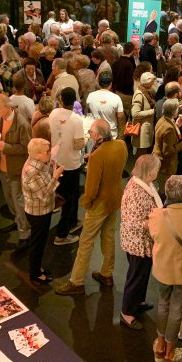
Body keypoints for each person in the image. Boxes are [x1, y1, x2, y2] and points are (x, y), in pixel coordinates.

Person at [56, 119, 128, 295]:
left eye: (91, 133)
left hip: (99, 204)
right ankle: (107, 273)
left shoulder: (97, 156)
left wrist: (86, 203)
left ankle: (76, 281)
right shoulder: (121, 145)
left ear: (98, 135)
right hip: (115, 198)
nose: (90, 135)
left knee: (85, 242)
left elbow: (91, 188)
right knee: (109, 237)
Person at [149, 176, 182, 362]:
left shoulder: (156, 214)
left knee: (163, 305)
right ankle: (170, 351)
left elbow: (153, 234)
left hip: (162, 270)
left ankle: (160, 343)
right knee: (177, 310)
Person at [119, 155, 163, 330]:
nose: (158, 172)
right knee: (136, 277)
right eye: (156, 170)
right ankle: (127, 312)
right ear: (149, 173)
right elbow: (133, 222)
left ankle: (138, 302)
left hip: (144, 241)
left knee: (143, 274)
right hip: (137, 242)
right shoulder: (136, 191)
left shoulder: (143, 183)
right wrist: (157, 222)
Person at [0, 94, 31, 251]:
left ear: (8, 107)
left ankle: (25, 234)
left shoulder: (22, 124)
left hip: (16, 169)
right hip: (3, 167)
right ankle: (18, 222)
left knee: (19, 201)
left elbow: (26, 148)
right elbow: (0, 137)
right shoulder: (0, 120)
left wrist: (4, 147)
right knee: (10, 199)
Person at [21, 138, 63, 285]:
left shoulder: (38, 161)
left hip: (42, 210)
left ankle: (37, 267)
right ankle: (35, 273)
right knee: (37, 244)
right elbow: (44, 194)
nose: (49, 153)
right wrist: (56, 177)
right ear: (37, 154)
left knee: (40, 242)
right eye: (47, 151)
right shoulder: (31, 171)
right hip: (38, 213)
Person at [49, 88, 85, 245]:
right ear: (74, 101)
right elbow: (78, 145)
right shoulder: (76, 119)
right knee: (70, 199)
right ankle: (62, 234)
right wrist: (85, 140)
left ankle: (70, 223)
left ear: (61, 99)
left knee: (60, 195)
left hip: (55, 161)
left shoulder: (53, 114)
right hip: (71, 164)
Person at [153, 98, 182, 188]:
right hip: (166, 165)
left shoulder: (162, 120)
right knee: (165, 189)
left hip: (158, 160)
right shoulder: (169, 128)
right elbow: (168, 152)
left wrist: (177, 125)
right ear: (174, 111)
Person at [86, 70, 124, 138]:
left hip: (95, 133)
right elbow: (120, 118)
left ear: (98, 82)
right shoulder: (116, 98)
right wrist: (121, 136)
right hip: (112, 134)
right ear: (111, 83)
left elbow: (89, 114)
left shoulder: (90, 96)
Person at [131, 71, 157, 157]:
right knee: (141, 153)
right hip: (141, 130)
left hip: (146, 128)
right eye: (152, 82)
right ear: (147, 83)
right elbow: (135, 114)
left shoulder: (146, 91)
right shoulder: (139, 94)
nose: (153, 83)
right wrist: (153, 111)